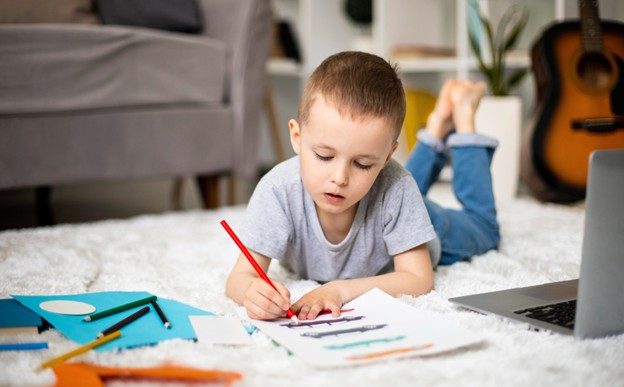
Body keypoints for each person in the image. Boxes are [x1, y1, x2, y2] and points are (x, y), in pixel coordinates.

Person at [226, 51, 499, 322]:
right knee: (391, 182)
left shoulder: (398, 188)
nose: (339, 178)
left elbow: (419, 279)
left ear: (387, 157)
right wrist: (253, 292)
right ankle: (436, 127)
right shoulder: (277, 190)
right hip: (384, 198)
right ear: (297, 137)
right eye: (324, 156)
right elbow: (239, 278)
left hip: (426, 221)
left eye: (363, 163)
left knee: (485, 229)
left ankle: (463, 120)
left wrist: (338, 290)